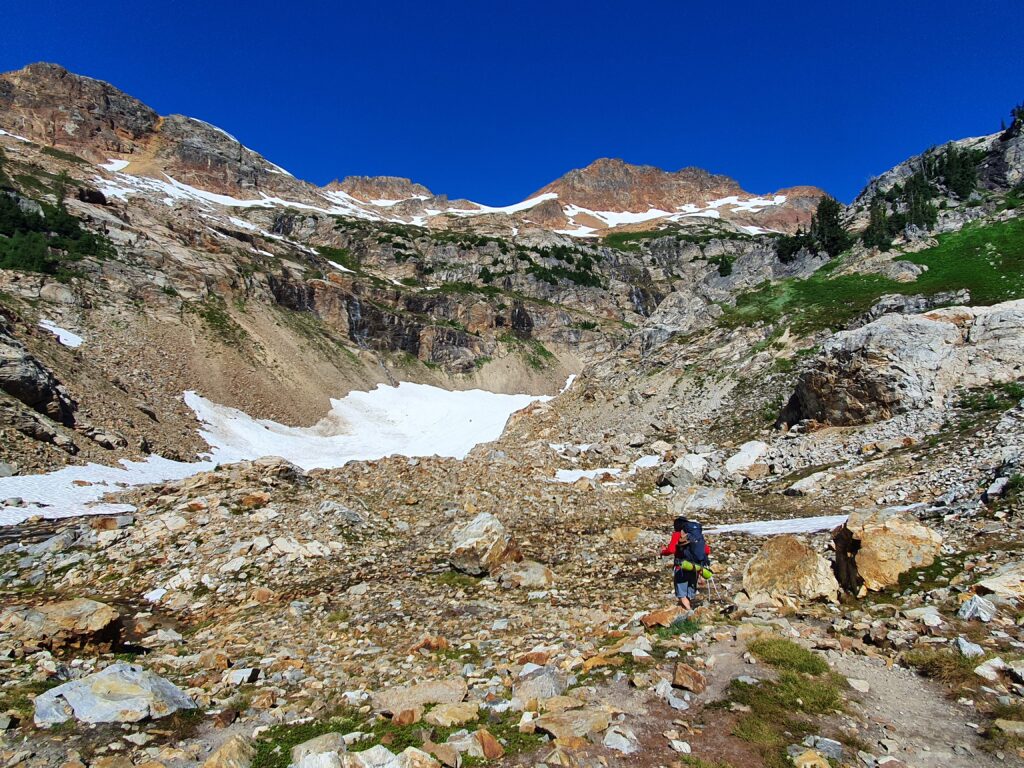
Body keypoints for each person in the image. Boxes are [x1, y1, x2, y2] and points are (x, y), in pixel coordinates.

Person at [660, 515, 709, 611]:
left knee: (681, 593)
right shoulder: (695, 536)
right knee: (690, 591)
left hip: (681, 567)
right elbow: (706, 550)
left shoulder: (677, 535)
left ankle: (689, 611)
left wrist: (663, 551)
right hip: (695, 567)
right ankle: (691, 608)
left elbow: (671, 550)